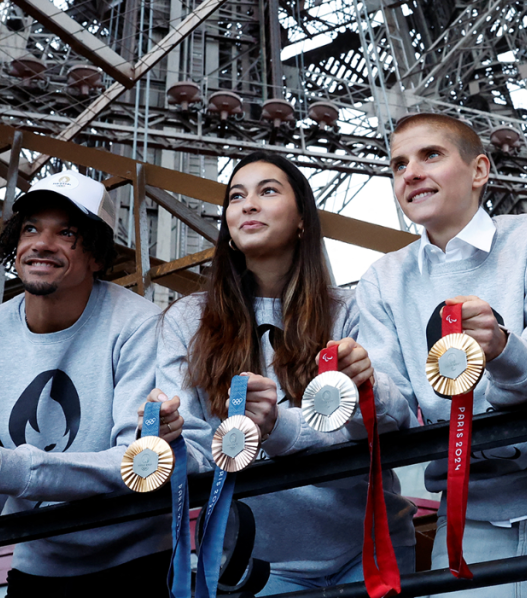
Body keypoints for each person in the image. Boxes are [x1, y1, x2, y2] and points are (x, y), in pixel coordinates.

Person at [356, 113, 527, 598]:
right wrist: (361, 386)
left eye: (431, 155)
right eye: (398, 164)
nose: (410, 173)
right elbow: (396, 411)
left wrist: (503, 349)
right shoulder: (382, 279)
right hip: (465, 516)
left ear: (480, 170)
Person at [147, 150, 416, 595]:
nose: (248, 204)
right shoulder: (186, 320)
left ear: (302, 221)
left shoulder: (350, 310)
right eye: (236, 196)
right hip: (261, 565)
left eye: (267, 191)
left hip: (367, 552)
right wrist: (169, 434)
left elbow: (394, 422)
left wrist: (358, 392)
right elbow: (194, 449)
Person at [0, 168, 169, 594]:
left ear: (96, 255)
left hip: (141, 561)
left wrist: (0, 465)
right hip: (35, 568)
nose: (42, 244)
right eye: (30, 228)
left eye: (66, 233)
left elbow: (140, 464)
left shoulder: (140, 324)